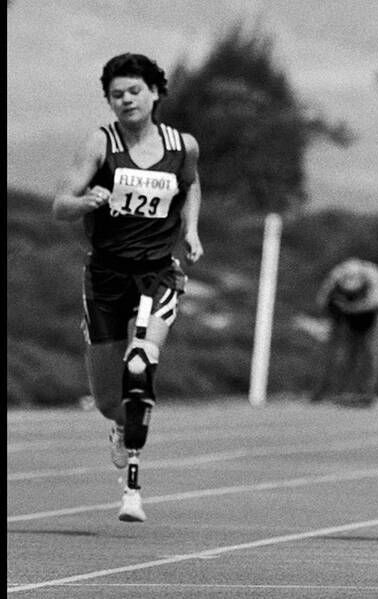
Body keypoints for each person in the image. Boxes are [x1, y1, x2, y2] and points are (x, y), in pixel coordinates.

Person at [51, 53, 203, 523]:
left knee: (141, 360)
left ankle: (134, 479)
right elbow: (59, 205)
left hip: (158, 272)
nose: (125, 101)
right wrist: (84, 200)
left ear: (155, 92)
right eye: (116, 95)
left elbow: (191, 185)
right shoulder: (102, 144)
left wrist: (191, 231)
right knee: (106, 399)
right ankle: (121, 423)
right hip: (107, 277)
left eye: (134, 91)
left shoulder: (183, 145)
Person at [312, 257, 378, 407]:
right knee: (345, 352)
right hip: (348, 314)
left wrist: (351, 307)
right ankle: (340, 390)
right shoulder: (337, 275)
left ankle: (367, 392)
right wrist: (332, 313)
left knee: (372, 352)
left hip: (373, 314)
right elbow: (321, 300)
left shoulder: (372, 274)